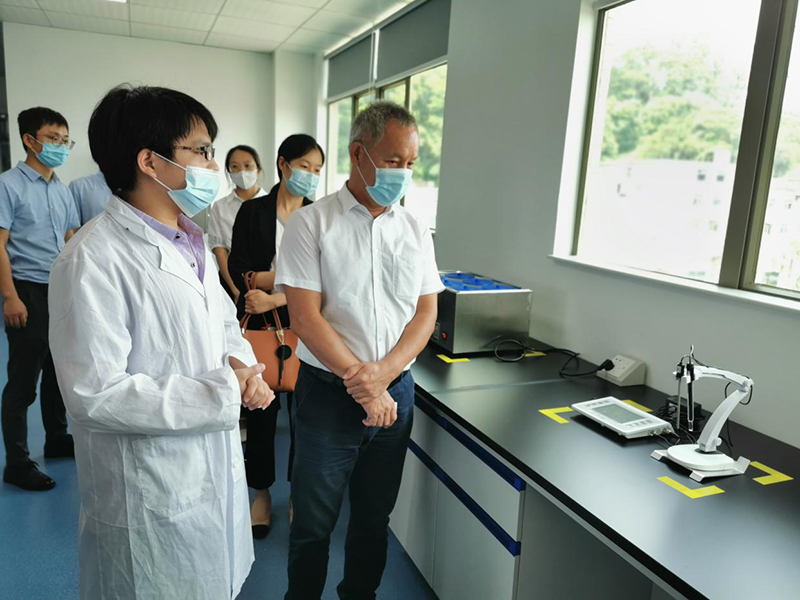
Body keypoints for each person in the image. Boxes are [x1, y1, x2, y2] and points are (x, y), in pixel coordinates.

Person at [47, 85, 274, 600]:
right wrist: (223, 392)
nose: (214, 165)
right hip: (150, 496)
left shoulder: (189, 239)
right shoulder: (92, 259)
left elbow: (222, 323)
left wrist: (243, 369)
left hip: (210, 478)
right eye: (202, 150)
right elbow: (94, 393)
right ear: (150, 161)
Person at [276, 101, 444, 600]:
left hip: (397, 394)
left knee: (373, 519)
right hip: (328, 398)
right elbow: (305, 317)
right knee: (313, 524)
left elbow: (425, 313)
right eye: (393, 160)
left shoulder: (414, 228)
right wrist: (365, 385)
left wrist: (383, 376)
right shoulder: (311, 224)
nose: (403, 173)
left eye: (410, 163)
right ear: (358, 153)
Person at [228, 134, 324, 539]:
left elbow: (325, 278)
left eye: (316, 170)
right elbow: (239, 270)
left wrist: (276, 293)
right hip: (259, 326)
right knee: (261, 412)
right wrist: (286, 282)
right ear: (284, 165)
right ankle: (262, 495)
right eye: (304, 167)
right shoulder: (254, 211)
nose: (310, 175)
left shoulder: (318, 215)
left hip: (307, 324)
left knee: (306, 418)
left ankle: (299, 494)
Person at [0, 106, 79, 491]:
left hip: (59, 290)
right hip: (26, 289)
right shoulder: (8, 185)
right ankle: (17, 462)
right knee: (23, 380)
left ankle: (57, 438)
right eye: (53, 139)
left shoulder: (62, 190)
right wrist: (10, 297)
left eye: (65, 140)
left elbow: (70, 239)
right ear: (29, 140)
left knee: (58, 370)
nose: (60, 146)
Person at [208, 145, 268, 302]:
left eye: (248, 165)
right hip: (231, 280)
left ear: (258, 170)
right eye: (234, 166)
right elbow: (220, 250)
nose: (242, 171)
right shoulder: (220, 206)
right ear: (228, 172)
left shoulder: (272, 204)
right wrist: (235, 290)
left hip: (268, 280)